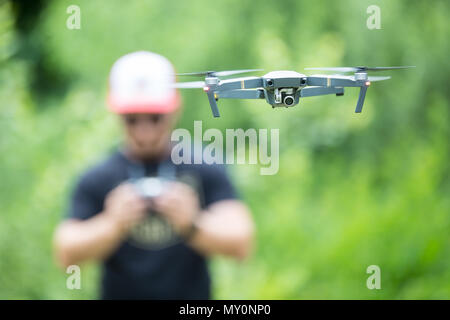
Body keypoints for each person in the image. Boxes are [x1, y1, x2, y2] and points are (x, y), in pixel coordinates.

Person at [53, 51, 254, 299]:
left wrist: (192, 224)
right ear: (117, 115)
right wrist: (112, 223)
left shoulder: (203, 167)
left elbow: (242, 243)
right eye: (132, 119)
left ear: (174, 111)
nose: (144, 131)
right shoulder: (98, 177)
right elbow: (65, 252)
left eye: (155, 117)